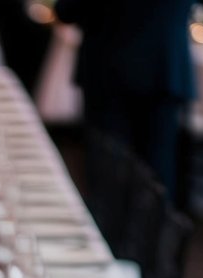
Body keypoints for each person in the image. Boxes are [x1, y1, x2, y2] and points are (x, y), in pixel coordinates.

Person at [52, 0, 195, 197]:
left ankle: (110, 226)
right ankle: (152, 226)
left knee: (108, 173)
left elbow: (67, 10)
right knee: (156, 171)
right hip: (163, 67)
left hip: (109, 68)